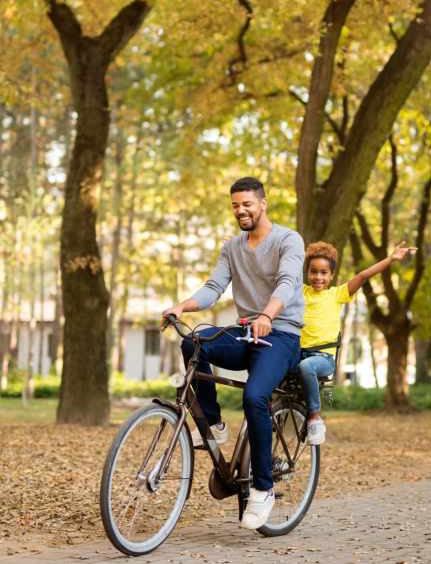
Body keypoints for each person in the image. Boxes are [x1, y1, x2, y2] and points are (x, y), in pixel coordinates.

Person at [162, 177, 304, 530]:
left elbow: (287, 283)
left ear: (263, 203)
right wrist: (182, 306)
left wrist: (268, 315)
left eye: (247, 204)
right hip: (246, 332)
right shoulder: (232, 248)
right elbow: (213, 288)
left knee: (255, 397)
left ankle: (263, 489)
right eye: (235, 205)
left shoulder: (288, 240)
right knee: (192, 342)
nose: (241, 210)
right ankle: (213, 423)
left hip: (281, 334)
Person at [299, 240, 417, 445]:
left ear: (331, 275)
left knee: (306, 366)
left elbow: (363, 276)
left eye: (323, 273)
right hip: (298, 353)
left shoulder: (336, 295)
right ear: (307, 272)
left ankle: (315, 417)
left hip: (322, 358)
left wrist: (390, 259)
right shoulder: (299, 291)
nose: (318, 277)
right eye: (313, 272)